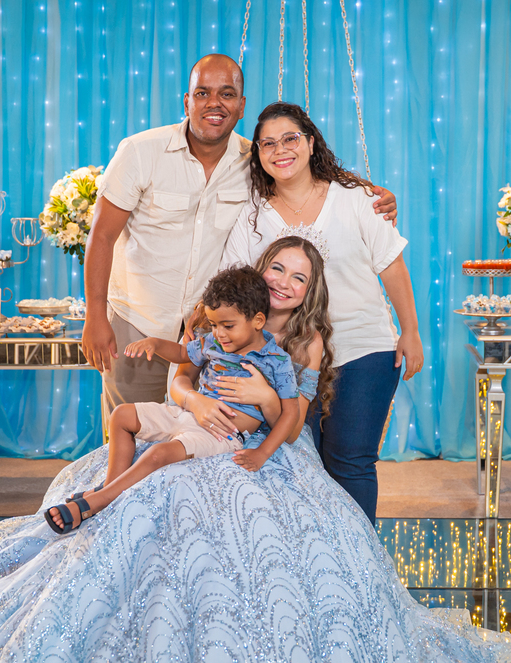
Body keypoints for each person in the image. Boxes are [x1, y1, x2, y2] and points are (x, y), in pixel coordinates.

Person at [0, 232, 511, 663]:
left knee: (226, 511)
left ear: (310, 290)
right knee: (148, 463)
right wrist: (192, 395)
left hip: (265, 446)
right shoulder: (222, 313)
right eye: (277, 268)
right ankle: (105, 499)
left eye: (298, 276)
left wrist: (262, 411)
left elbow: (294, 413)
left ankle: (132, 530)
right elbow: (182, 371)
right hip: (194, 419)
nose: (284, 282)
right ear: (259, 271)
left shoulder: (303, 342)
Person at [82, 53, 396, 431]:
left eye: (227, 94)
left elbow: (307, 174)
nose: (214, 103)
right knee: (130, 432)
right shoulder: (140, 151)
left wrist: (368, 193)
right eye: (203, 93)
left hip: (215, 329)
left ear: (241, 105)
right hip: (139, 322)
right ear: (187, 101)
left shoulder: (255, 159)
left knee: (202, 442)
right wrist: (94, 315)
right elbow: (102, 235)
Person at [219, 101, 423, 522]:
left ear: (311, 143)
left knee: (351, 460)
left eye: (290, 139)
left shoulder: (358, 199)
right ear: (258, 154)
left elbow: (392, 265)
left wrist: (410, 331)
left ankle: (360, 557)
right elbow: (235, 286)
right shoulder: (253, 216)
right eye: (267, 144)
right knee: (299, 462)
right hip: (289, 357)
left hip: (364, 348)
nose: (280, 150)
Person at [44, 266, 300, 533]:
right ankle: (111, 489)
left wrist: (261, 453)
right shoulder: (214, 343)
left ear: (258, 321)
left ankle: (94, 503)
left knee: (159, 454)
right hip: (189, 413)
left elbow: (291, 414)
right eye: (214, 325)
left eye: (228, 326)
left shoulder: (276, 361)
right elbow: (182, 353)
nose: (219, 333)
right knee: (121, 415)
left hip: (221, 433)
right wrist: (155, 344)